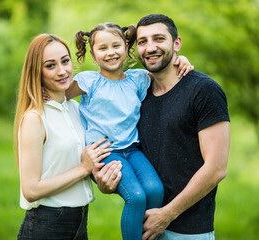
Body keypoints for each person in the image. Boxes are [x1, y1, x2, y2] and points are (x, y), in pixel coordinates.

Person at [93, 14, 230, 240]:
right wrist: (106, 183)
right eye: (143, 41)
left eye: (159, 39)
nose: (150, 47)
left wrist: (167, 214)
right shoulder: (138, 94)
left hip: (189, 231)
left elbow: (216, 168)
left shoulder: (203, 91)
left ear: (176, 44)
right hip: (146, 227)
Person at [61, 22, 194, 240]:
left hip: (132, 150)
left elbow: (167, 70)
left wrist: (181, 60)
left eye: (116, 46)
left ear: (126, 48)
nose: (111, 52)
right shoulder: (88, 81)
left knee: (155, 190)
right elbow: (60, 94)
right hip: (105, 152)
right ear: (93, 55)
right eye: (102, 48)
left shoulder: (138, 79)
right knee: (136, 197)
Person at [13, 33, 113, 240]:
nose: (62, 71)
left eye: (65, 61)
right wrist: (83, 168)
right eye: (50, 66)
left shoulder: (75, 108)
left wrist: (100, 178)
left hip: (80, 222)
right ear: (37, 71)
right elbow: (31, 189)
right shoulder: (35, 118)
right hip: (47, 226)